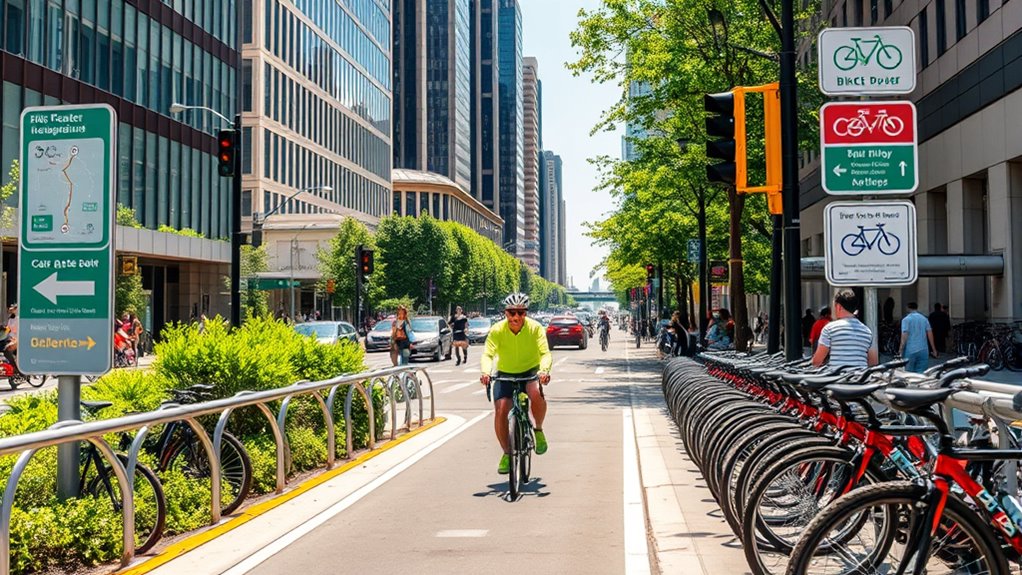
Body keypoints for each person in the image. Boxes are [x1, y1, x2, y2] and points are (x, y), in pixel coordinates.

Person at [479, 293, 552, 475]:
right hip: (504, 372)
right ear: (506, 313)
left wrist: (544, 371)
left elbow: (545, 353)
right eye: (512, 313)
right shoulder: (497, 330)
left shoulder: (535, 328)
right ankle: (506, 452)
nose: (516, 317)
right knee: (501, 409)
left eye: (521, 313)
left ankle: (539, 430)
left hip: (530, 371)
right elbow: (487, 354)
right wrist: (485, 372)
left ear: (525, 314)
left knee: (535, 392)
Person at [812, 289, 878, 369]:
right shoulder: (867, 332)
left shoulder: (829, 329)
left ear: (838, 307)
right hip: (860, 378)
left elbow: (818, 360)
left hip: (837, 379)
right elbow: (873, 362)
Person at [900, 302, 937, 373]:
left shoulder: (906, 320)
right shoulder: (924, 319)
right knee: (921, 372)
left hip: (910, 350)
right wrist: (934, 349)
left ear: (908, 308)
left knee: (908, 373)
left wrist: (901, 349)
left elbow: (905, 335)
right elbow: (930, 334)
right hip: (923, 349)